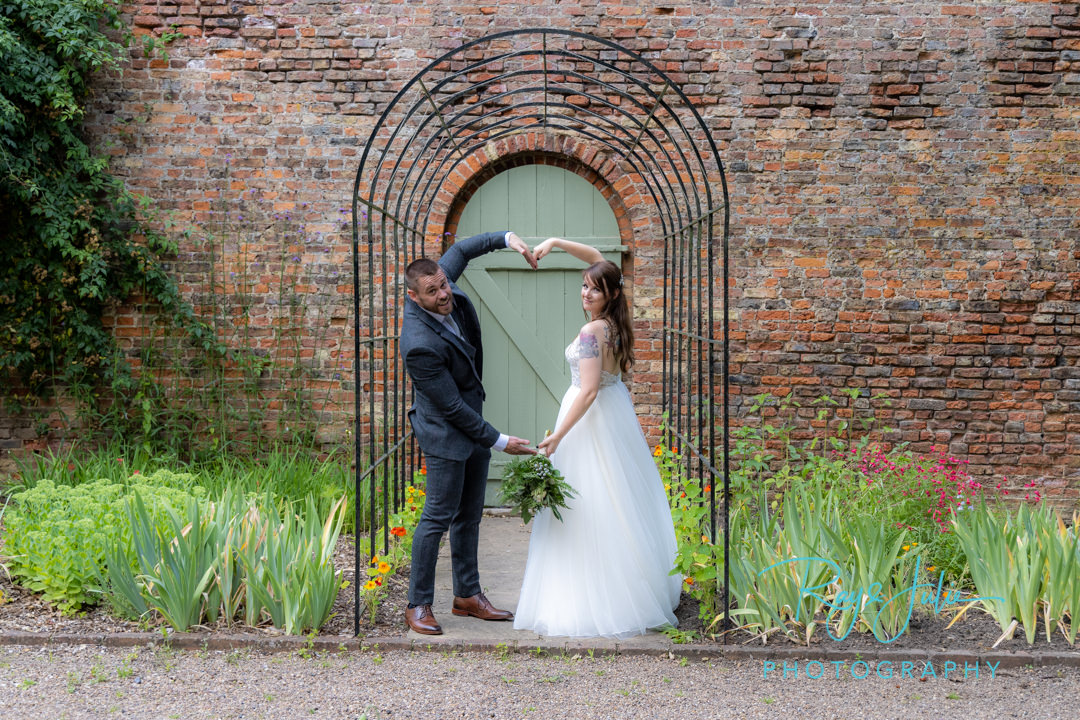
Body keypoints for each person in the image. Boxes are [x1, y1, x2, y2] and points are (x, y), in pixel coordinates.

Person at [513, 237, 681, 638]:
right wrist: (553, 241)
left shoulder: (592, 331)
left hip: (588, 420)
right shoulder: (615, 323)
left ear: (611, 294)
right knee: (617, 499)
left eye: (594, 288)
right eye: (584, 286)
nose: (586, 292)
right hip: (613, 412)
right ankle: (634, 583)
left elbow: (587, 391)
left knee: (589, 504)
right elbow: (597, 260)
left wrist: (556, 438)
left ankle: (595, 596)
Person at [400, 230, 538, 636]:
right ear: (414, 297)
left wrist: (506, 238)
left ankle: (467, 596)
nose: (444, 294)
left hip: (471, 423)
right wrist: (499, 441)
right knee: (436, 517)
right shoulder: (418, 343)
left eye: (443, 283)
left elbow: (461, 250)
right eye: (432, 291)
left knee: (470, 514)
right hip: (445, 433)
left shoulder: (443, 280)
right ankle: (418, 603)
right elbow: (451, 408)